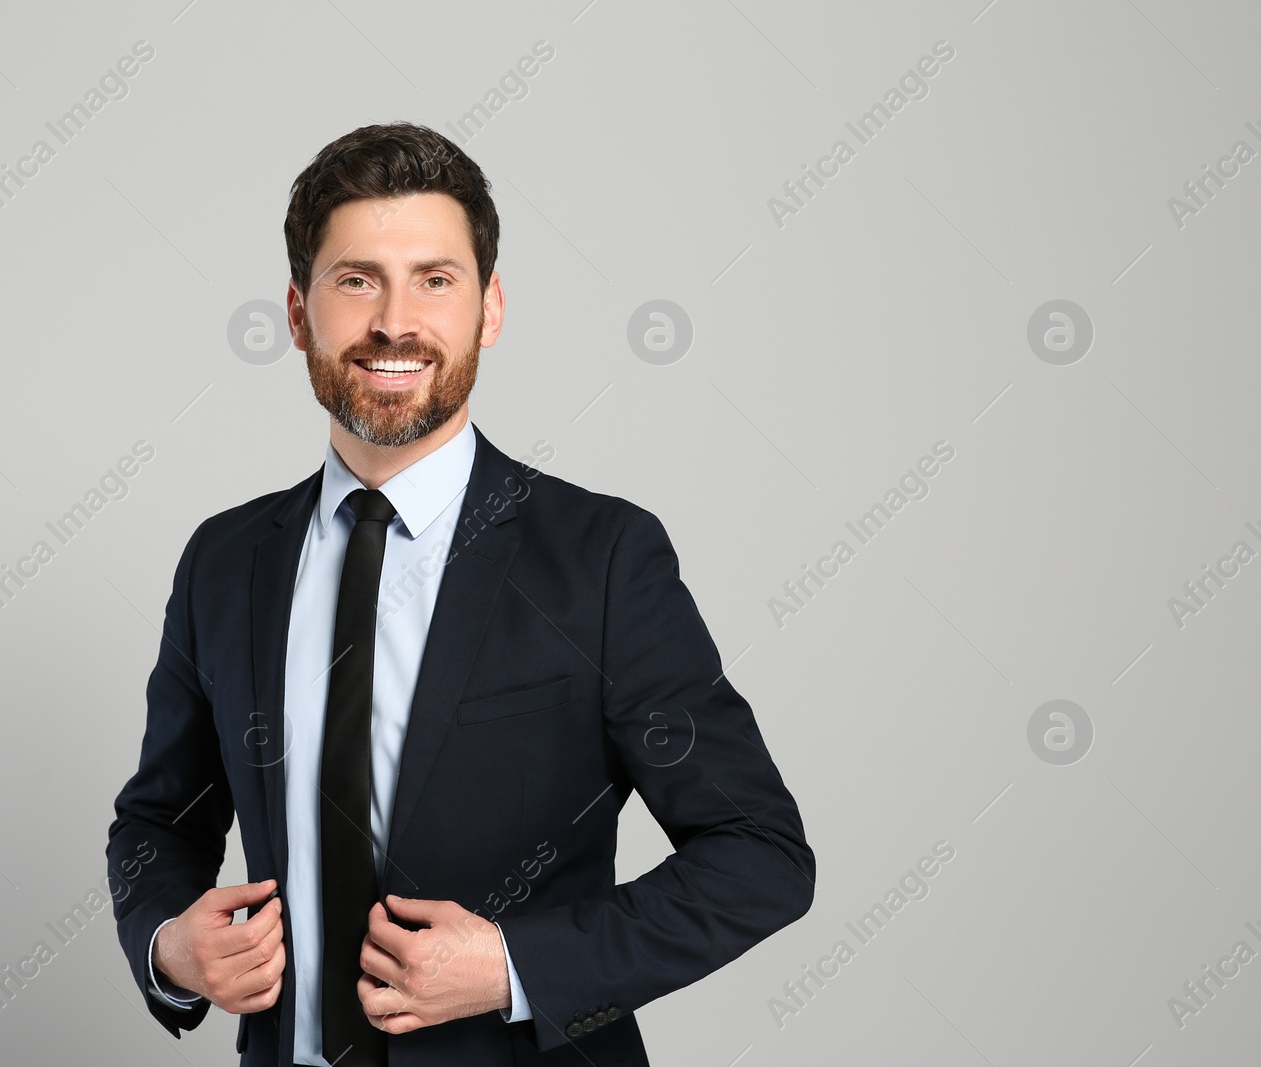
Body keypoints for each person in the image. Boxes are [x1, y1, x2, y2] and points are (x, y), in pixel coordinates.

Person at [106, 121, 815, 1067]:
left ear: (489, 310)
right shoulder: (224, 562)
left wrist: (517, 964)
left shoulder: (601, 560)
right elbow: (159, 820)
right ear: (296, 310)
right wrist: (169, 945)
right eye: (357, 279)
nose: (394, 322)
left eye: (434, 280)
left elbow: (759, 852)